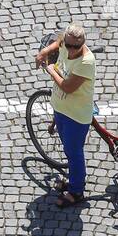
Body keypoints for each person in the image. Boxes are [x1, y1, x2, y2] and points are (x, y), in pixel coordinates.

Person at [34, 22, 95, 208]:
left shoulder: (86, 62)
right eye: (68, 45)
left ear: (83, 43)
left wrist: (51, 69)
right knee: (69, 150)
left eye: (76, 47)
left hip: (76, 115)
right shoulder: (66, 44)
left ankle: (77, 191)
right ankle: (75, 181)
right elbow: (60, 41)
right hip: (61, 108)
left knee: (74, 153)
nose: (70, 50)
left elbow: (67, 87)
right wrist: (45, 51)